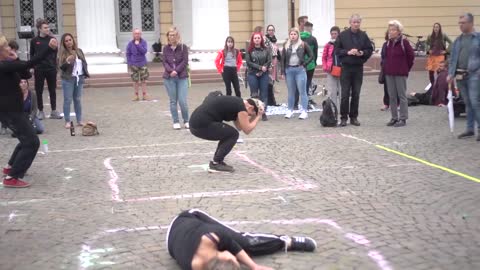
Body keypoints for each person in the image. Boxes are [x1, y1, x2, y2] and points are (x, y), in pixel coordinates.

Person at [167, 209, 317, 270]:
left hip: (190, 217)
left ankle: (286, 241)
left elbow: (235, 246)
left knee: (246, 243)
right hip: (173, 240)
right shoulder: (193, 265)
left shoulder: (214, 235)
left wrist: (254, 267)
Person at [0, 33, 58, 188]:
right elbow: (30, 64)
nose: (9, 48)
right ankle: (12, 177)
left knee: (26, 139)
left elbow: (25, 74)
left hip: (14, 111)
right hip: (9, 111)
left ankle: (11, 167)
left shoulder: (8, 64)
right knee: (32, 142)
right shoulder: (3, 66)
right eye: (6, 46)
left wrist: (15, 58)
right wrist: (49, 49)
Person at [189, 94, 264, 173]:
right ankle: (216, 163)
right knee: (232, 134)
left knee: (229, 134)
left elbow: (239, 127)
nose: (248, 115)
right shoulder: (241, 108)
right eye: (250, 114)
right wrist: (258, 116)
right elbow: (247, 130)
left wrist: (253, 115)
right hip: (201, 124)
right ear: (251, 107)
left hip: (196, 123)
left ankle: (217, 161)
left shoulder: (238, 104)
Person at [335, 14, 373, 127]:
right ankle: (343, 117)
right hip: (346, 67)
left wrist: (361, 53)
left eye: (358, 22)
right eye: (354, 22)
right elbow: (337, 50)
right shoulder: (343, 35)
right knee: (345, 94)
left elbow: (369, 49)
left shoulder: (363, 35)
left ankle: (354, 117)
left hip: (358, 67)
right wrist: (347, 52)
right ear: (350, 23)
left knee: (356, 93)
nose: (356, 24)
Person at [448, 13, 480, 141]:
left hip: (474, 75)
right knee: (467, 102)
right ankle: (470, 129)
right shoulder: (458, 40)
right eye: (459, 23)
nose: (460, 25)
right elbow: (452, 59)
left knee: (474, 101)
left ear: (471, 23)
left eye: (463, 23)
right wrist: (451, 73)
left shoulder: (478, 38)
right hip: (460, 75)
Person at [383, 20, 414, 127]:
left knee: (401, 96)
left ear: (398, 31)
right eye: (390, 30)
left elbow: (411, 57)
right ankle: (394, 117)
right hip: (389, 73)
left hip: (400, 73)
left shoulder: (404, 42)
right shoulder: (388, 43)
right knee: (392, 96)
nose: (390, 32)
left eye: (393, 30)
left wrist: (406, 68)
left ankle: (403, 118)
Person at [30, 18, 62, 120]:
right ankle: (41, 111)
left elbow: (55, 53)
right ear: (39, 29)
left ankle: (53, 110)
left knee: (52, 90)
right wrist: (32, 66)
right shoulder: (34, 41)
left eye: (48, 27)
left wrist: (55, 66)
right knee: (38, 90)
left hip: (51, 69)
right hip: (39, 69)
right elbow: (32, 55)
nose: (47, 29)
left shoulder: (52, 39)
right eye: (45, 27)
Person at [58, 33, 90, 129]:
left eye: (70, 40)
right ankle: (67, 121)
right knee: (68, 100)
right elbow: (61, 67)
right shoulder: (62, 53)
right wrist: (67, 61)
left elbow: (84, 62)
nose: (68, 42)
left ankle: (79, 120)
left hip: (79, 78)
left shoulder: (79, 51)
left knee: (78, 99)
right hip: (68, 78)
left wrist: (84, 73)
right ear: (64, 43)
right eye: (66, 41)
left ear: (73, 40)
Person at [281, 27, 314, 119]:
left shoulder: (303, 44)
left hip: (300, 70)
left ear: (298, 35)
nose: (293, 36)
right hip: (289, 70)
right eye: (291, 34)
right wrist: (283, 72)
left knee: (302, 91)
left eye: (295, 34)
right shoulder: (286, 45)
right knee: (291, 92)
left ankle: (304, 111)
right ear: (289, 35)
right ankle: (290, 110)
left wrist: (305, 64)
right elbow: (283, 59)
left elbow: (311, 55)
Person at [163, 27, 189, 130]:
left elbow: (185, 61)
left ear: (177, 36)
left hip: (182, 77)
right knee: (173, 101)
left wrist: (176, 71)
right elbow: (164, 62)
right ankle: (176, 121)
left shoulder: (183, 47)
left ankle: (186, 120)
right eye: (170, 35)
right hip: (169, 78)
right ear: (168, 37)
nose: (172, 37)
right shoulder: (165, 48)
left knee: (182, 101)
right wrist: (170, 71)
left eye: (174, 35)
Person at [245, 32, 271, 121]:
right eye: (255, 38)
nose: (257, 39)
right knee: (254, 94)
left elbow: (269, 60)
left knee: (264, 94)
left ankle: (263, 112)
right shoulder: (249, 50)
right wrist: (260, 68)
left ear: (261, 39)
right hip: (252, 74)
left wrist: (263, 69)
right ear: (253, 40)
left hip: (264, 74)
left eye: (258, 38)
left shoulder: (266, 49)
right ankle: (254, 112)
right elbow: (249, 62)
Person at [126, 28, 150, 101]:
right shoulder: (130, 44)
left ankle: (144, 95)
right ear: (133, 34)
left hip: (143, 64)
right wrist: (130, 63)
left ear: (140, 34)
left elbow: (144, 51)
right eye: (135, 33)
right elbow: (128, 54)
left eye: (138, 33)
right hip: (134, 64)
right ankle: (136, 95)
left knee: (144, 80)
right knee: (135, 81)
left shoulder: (144, 42)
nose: (137, 35)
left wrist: (138, 45)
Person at [300, 22, 319, 109]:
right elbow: (315, 52)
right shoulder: (313, 39)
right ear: (310, 28)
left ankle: (296, 103)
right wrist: (314, 62)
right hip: (310, 64)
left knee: (299, 83)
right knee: (308, 83)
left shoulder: (298, 37)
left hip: (299, 64)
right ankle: (306, 102)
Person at [322, 26, 342, 108]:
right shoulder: (328, 44)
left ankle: (343, 109)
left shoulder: (342, 43)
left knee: (342, 91)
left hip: (342, 69)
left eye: (335, 33)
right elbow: (324, 57)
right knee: (332, 91)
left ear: (338, 34)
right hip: (331, 70)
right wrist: (325, 66)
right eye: (332, 34)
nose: (334, 35)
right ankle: (334, 109)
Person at [265, 25, 280, 106]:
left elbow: (277, 52)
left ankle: (272, 101)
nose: (271, 31)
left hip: (275, 61)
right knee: (268, 81)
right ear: (267, 31)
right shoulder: (265, 40)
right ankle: (269, 101)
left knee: (272, 81)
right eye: (269, 30)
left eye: (272, 30)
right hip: (269, 62)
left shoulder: (274, 40)